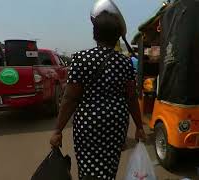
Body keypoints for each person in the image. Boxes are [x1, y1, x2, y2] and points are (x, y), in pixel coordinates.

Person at [49, 8, 147, 180]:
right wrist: (139, 126)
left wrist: (58, 129)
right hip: (116, 124)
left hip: (89, 125)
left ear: (95, 35)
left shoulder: (81, 59)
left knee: (88, 168)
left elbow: (70, 98)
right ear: (117, 37)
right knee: (109, 166)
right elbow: (131, 97)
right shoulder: (125, 63)